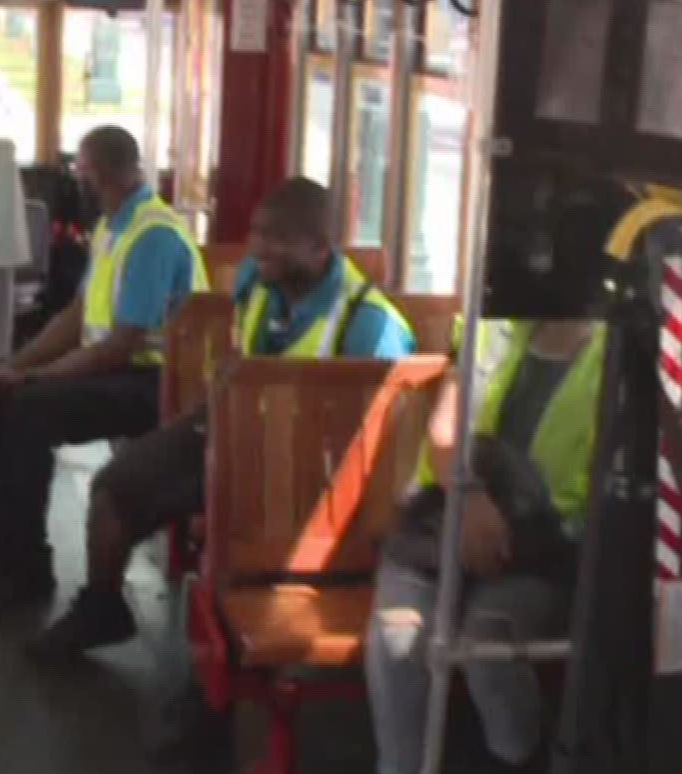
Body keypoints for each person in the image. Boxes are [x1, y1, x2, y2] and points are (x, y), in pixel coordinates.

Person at [30, 177, 417, 659]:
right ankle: (102, 608)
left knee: (234, 534)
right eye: (257, 233)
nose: (258, 248)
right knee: (113, 488)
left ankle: (215, 681)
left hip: (315, 476)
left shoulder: (369, 325)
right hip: (238, 433)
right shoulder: (258, 283)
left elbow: (384, 445)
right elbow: (243, 361)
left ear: (320, 248)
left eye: (277, 238)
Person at [0, 125, 207, 615]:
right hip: (117, 367)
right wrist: (12, 364)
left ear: (100, 175)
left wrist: (35, 378)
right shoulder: (113, 226)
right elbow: (76, 317)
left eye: (81, 172)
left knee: (30, 408)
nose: (77, 182)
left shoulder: (152, 236)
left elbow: (118, 347)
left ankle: (26, 568)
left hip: (155, 380)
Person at [365, 319, 604, 774]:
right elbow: (445, 430)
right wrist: (468, 497)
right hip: (442, 527)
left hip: (542, 547)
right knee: (398, 636)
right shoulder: (491, 324)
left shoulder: (616, 349)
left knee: (488, 646)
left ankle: (518, 769)